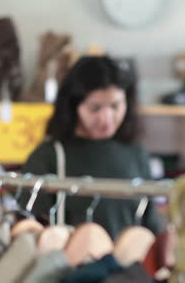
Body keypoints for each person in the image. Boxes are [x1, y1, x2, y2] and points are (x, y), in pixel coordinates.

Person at [23, 55, 164, 238]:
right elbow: (33, 232)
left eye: (115, 106)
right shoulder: (47, 157)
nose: (106, 118)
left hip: (129, 257)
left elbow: (152, 227)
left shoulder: (136, 154)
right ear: (74, 105)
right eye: (95, 108)